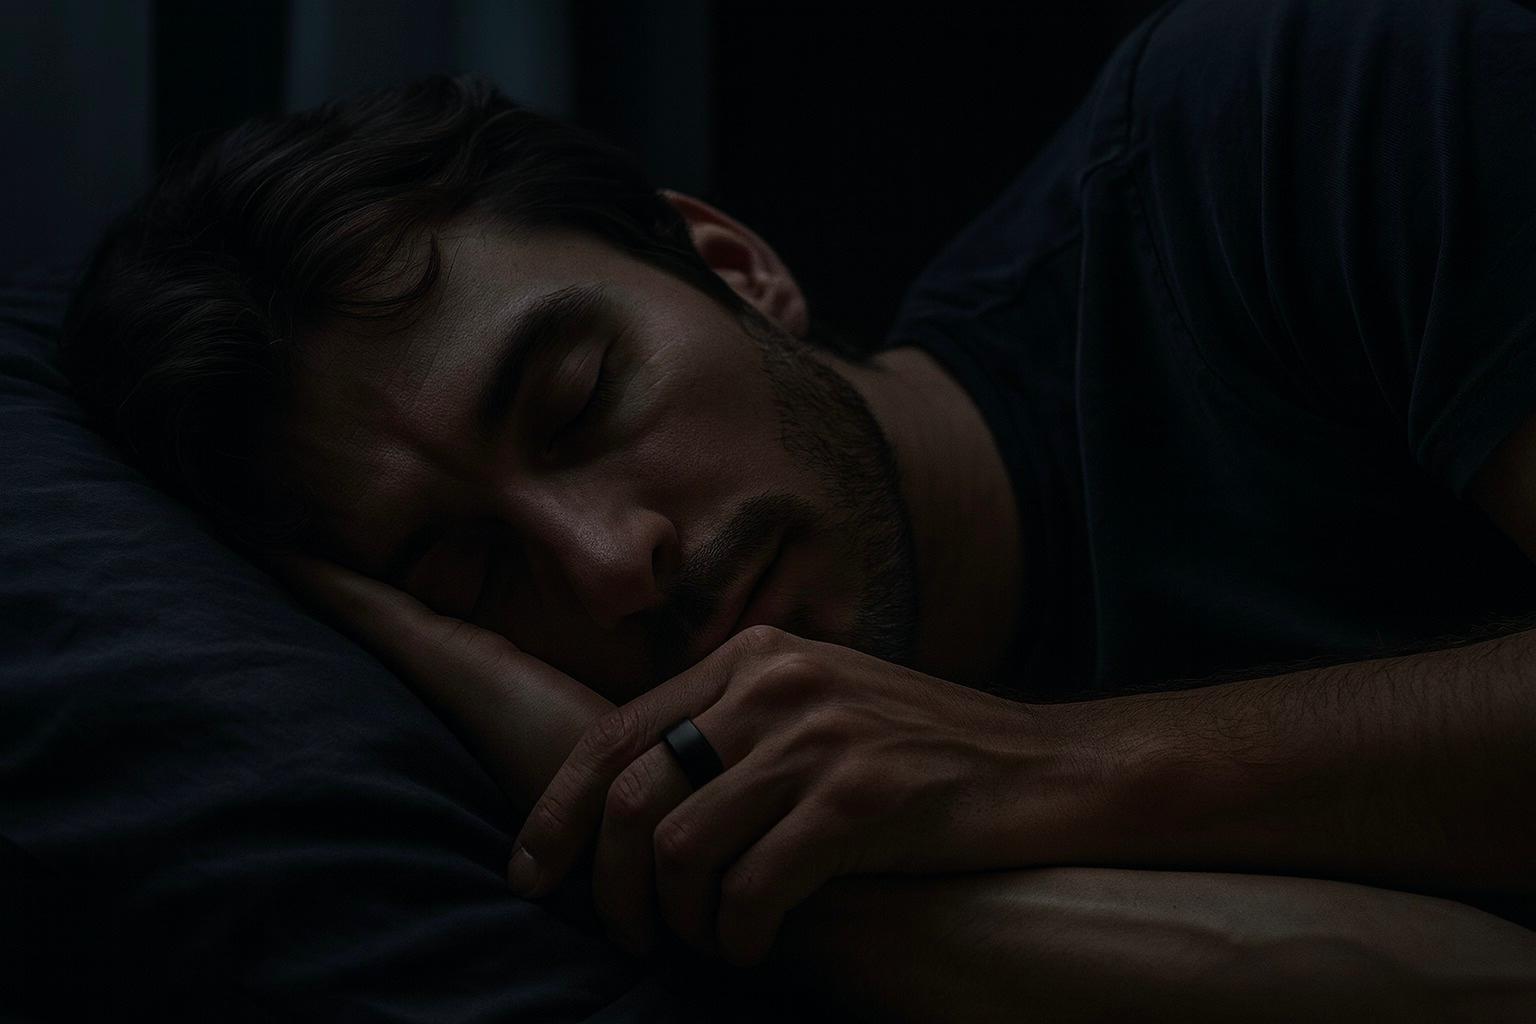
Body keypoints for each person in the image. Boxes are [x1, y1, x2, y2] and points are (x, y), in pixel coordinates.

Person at [59, 0, 1536, 1017]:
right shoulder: (739, 869)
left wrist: (1039, 766)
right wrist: (767, 867)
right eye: (471, 576)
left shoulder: (1297, 120)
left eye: (578, 401)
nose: (609, 564)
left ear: (731, 263)